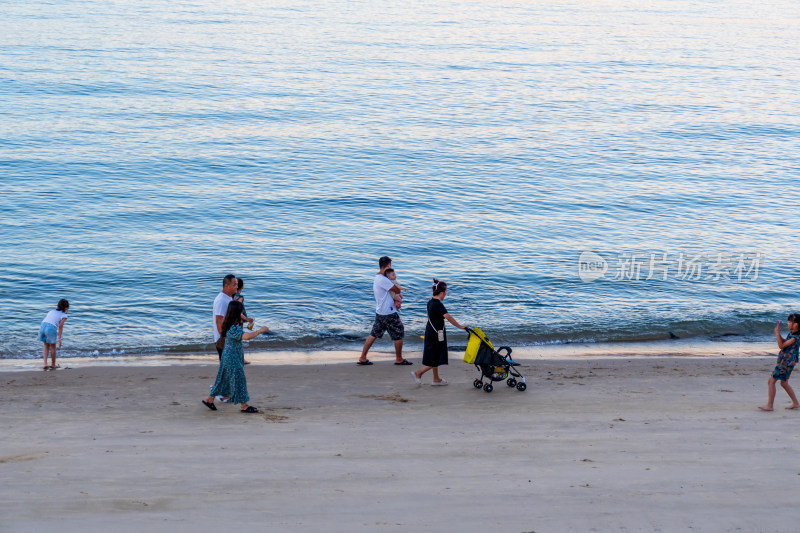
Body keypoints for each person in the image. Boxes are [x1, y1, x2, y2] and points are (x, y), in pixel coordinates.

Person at [202, 301, 270, 413]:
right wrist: (260, 331)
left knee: (222, 379)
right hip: (232, 358)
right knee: (240, 380)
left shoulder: (229, 324)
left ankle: (210, 399)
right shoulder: (233, 328)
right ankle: (244, 406)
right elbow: (246, 337)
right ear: (237, 312)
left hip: (228, 356)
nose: (242, 313)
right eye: (241, 311)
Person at [412, 279, 467, 386]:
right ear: (442, 292)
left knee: (434, 355)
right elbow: (448, 317)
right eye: (446, 292)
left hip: (431, 332)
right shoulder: (438, 304)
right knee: (436, 358)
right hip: (436, 334)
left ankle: (436, 379)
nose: (446, 294)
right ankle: (419, 373)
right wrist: (460, 326)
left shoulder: (430, 302)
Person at [357, 256, 411, 366]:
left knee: (374, 334)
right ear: (388, 265)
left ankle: (362, 357)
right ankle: (399, 359)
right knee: (399, 332)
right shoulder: (383, 279)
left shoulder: (378, 278)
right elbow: (396, 289)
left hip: (380, 312)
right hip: (388, 312)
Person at [759, 314, 800, 411]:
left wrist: (777, 334)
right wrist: (779, 335)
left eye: (790, 322)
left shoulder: (796, 337)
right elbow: (785, 342)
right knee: (784, 383)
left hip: (786, 362)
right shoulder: (792, 334)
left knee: (771, 381)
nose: (788, 324)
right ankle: (796, 403)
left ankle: (770, 405)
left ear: (796, 325)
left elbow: (781, 346)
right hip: (787, 361)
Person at [38, 299, 69, 370]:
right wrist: (59, 338)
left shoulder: (51, 311)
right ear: (66, 308)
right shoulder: (64, 315)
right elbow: (60, 326)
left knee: (46, 346)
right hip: (51, 328)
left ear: (57, 305)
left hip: (42, 326)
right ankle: (53, 364)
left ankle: (45, 364)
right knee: (53, 347)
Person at [213, 274, 238, 360]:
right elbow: (218, 322)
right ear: (226, 286)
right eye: (234, 284)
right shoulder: (221, 300)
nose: (237, 287)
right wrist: (225, 340)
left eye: (237, 284)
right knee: (226, 368)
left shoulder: (228, 298)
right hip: (224, 340)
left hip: (229, 338)